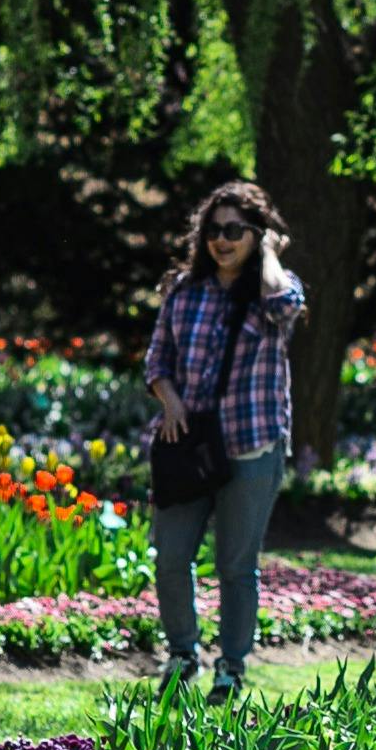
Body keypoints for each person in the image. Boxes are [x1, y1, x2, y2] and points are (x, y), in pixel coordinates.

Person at [145, 182, 308, 700]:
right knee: (171, 557)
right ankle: (182, 654)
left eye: (235, 230)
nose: (221, 240)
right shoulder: (183, 292)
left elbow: (286, 306)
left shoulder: (274, 291)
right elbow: (157, 360)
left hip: (253, 445)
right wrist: (169, 399)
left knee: (236, 565)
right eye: (213, 230)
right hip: (188, 445)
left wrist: (270, 257)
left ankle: (231, 666)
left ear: (257, 235)